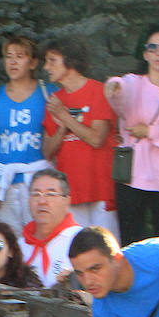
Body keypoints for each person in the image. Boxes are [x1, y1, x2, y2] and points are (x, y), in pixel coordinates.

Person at [105, 23, 159, 243]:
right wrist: (113, 87)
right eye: (152, 47)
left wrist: (150, 131)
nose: (158, 53)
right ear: (144, 54)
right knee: (130, 242)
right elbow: (120, 93)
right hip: (132, 178)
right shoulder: (133, 83)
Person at [42, 37, 119, 236]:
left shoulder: (98, 91)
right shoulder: (55, 100)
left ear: (70, 61)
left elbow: (96, 138)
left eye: (52, 60)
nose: (46, 67)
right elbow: (47, 151)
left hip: (100, 189)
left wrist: (64, 116)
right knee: (77, 252)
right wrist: (61, 128)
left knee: (107, 252)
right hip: (70, 191)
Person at [0, 35, 50, 230]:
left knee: (40, 236)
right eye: (8, 56)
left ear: (33, 62)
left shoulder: (47, 93)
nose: (13, 61)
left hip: (37, 182)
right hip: (5, 184)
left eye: (20, 56)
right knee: (8, 242)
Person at [17, 168, 84, 287]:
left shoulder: (81, 240)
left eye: (51, 194)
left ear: (67, 201)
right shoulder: (19, 246)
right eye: (36, 194)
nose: (42, 201)